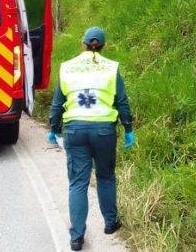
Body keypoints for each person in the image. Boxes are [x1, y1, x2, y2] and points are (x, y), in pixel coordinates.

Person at [47, 26, 135, 251]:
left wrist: (53, 128)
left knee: (78, 183)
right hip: (103, 130)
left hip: (75, 130)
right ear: (102, 46)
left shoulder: (67, 68)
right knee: (105, 177)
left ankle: (77, 237)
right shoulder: (111, 68)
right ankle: (110, 223)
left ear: (83, 43)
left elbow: (58, 102)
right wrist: (128, 128)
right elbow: (122, 101)